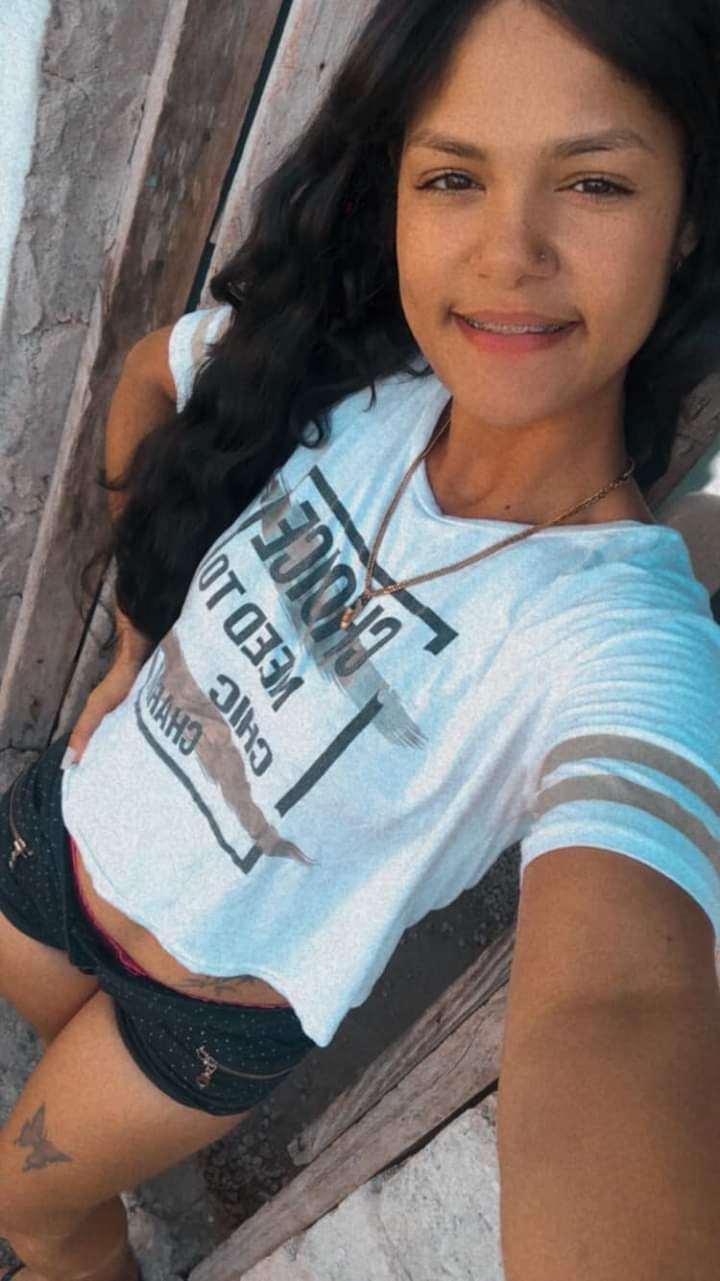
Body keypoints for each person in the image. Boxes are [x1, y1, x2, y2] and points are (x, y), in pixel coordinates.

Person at [1, 0, 719, 1277]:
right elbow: (151, 376)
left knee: (32, 1209)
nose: (510, 251)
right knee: (50, 1107)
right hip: (59, 843)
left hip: (195, 1016)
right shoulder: (352, 382)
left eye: (594, 182)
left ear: (688, 225)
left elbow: (621, 1004)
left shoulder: (616, 632)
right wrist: (134, 644)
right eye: (453, 177)